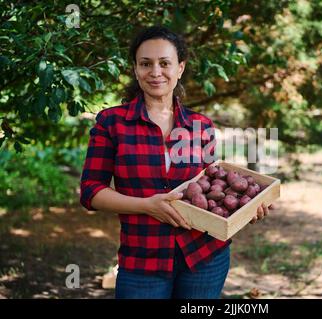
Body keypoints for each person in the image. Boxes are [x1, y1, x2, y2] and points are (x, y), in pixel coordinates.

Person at [80, 25, 270, 299]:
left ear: (180, 68)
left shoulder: (200, 125)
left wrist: (244, 210)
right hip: (143, 260)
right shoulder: (112, 123)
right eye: (146, 63)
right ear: (135, 69)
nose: (155, 72)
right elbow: (90, 191)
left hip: (205, 256)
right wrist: (146, 206)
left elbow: (212, 186)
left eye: (164, 63)